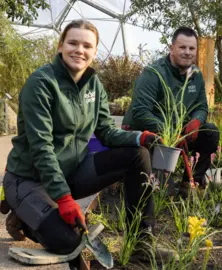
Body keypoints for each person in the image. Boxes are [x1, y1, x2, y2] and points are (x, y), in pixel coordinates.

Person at [0, 20, 159, 255]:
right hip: (29, 178)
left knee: (138, 155)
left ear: (95, 52)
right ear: (60, 46)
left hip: (71, 173)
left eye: (87, 45)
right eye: (73, 43)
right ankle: (22, 217)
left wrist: (140, 138)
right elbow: (41, 147)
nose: (80, 50)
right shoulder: (41, 84)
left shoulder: (93, 85)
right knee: (69, 240)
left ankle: (143, 244)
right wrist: (64, 198)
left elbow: (105, 131)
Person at [122, 27, 219, 193]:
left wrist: (196, 121)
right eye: (182, 47)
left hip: (178, 133)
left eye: (191, 48)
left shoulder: (196, 74)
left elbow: (202, 106)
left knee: (210, 132)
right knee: (162, 192)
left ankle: (189, 183)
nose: (187, 52)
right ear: (171, 48)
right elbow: (140, 112)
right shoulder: (153, 74)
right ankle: (138, 177)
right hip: (151, 135)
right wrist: (171, 132)